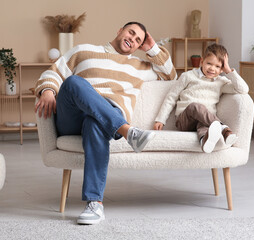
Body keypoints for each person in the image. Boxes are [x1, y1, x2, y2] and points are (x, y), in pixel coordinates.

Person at [35, 22, 177, 225]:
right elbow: (53, 72)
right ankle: (128, 132)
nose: (133, 39)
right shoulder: (83, 51)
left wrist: (152, 49)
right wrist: (48, 91)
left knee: (95, 122)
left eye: (138, 40)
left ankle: (95, 204)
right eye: (131, 33)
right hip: (72, 118)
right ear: (119, 30)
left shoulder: (139, 67)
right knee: (74, 82)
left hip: (102, 122)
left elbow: (171, 76)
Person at [154, 43, 249, 153]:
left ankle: (204, 141)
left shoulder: (221, 82)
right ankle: (224, 129)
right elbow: (171, 97)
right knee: (196, 106)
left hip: (206, 121)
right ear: (202, 61)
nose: (212, 69)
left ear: (222, 69)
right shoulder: (188, 76)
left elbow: (243, 89)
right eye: (209, 63)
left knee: (205, 125)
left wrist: (229, 71)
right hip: (184, 120)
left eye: (218, 66)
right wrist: (160, 119)